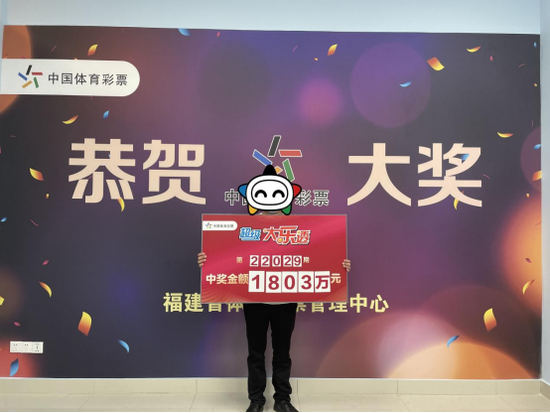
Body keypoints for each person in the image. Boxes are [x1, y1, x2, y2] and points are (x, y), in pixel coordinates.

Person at [198, 211, 351, 413]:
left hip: (286, 302)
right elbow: (229, 254)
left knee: (282, 353)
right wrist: (209, 260)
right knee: (255, 353)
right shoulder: (248, 228)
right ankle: (256, 400)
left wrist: (339, 265)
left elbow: (317, 255)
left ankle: (282, 399)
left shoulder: (297, 229)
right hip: (254, 300)